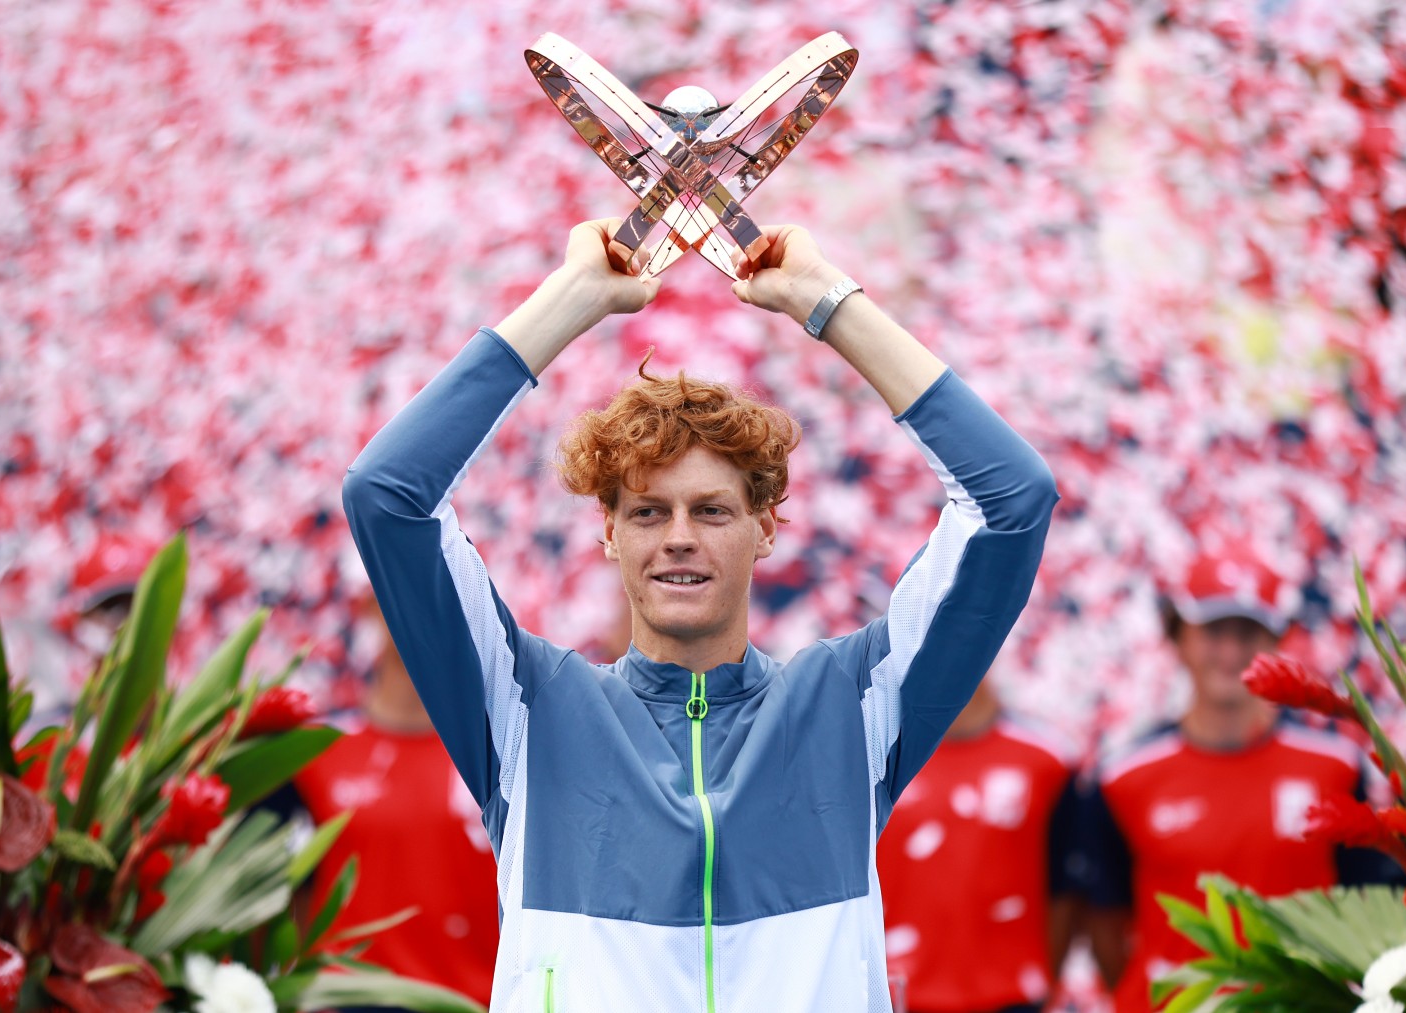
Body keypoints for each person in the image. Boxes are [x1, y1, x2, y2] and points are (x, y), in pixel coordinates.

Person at [342, 219, 1058, 1012]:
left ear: (765, 527)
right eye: (649, 512)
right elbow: (386, 495)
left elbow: (1013, 503)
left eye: (712, 511)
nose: (679, 538)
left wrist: (828, 303)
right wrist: (572, 299)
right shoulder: (528, 709)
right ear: (609, 533)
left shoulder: (850, 705)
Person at [1074, 547, 1396, 1013]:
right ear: (1177, 636)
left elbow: (1370, 903)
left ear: (1278, 641)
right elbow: (1104, 915)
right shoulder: (1122, 777)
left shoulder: (1336, 764)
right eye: (1213, 632)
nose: (1230, 652)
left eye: (1249, 633)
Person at [284, 595, 500, 1007]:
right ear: (369, 610)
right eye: (396, 591)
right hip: (344, 999)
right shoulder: (314, 753)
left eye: (440, 595)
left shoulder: (501, 755)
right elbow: (287, 897)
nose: (417, 604)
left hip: (467, 999)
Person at [875, 678, 1082, 1013]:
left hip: (1012, 997)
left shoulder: (1050, 759)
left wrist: (1045, 983)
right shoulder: (869, 756)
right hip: (896, 993)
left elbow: (1069, 889)